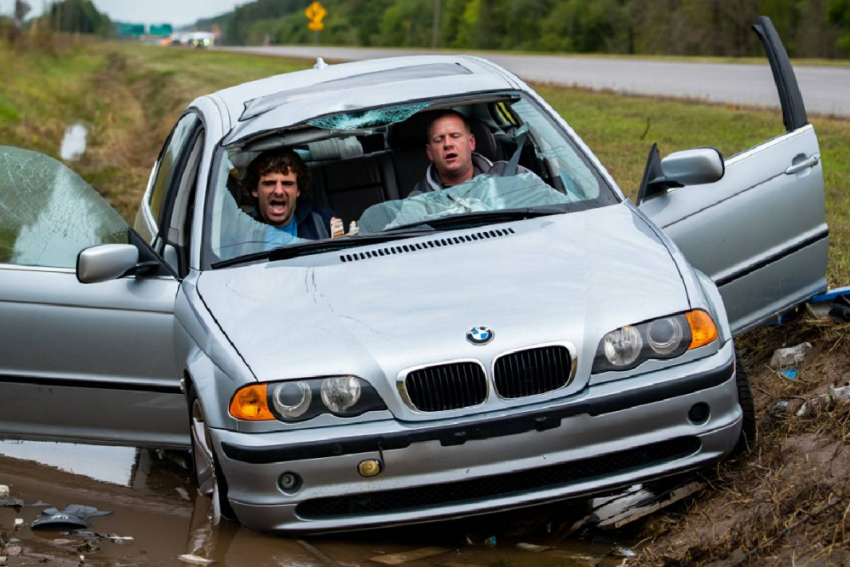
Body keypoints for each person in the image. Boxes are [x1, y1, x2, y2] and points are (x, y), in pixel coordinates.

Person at [409, 110, 523, 197]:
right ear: (430, 153)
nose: (447, 144)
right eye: (439, 139)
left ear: (471, 143)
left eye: (455, 136)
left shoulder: (511, 175)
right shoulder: (419, 201)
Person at [244, 148, 336, 240]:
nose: (278, 191)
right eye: (269, 183)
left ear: (298, 190)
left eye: (287, 183)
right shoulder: (241, 232)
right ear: (255, 190)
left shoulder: (323, 220)